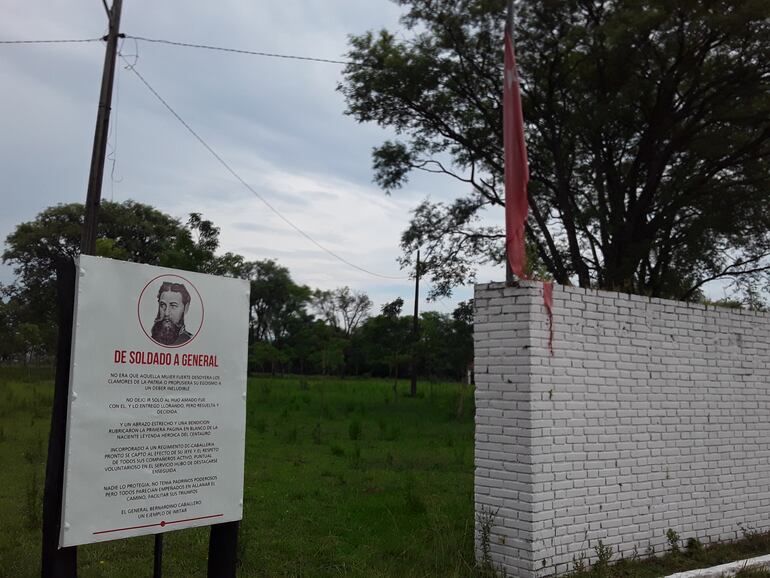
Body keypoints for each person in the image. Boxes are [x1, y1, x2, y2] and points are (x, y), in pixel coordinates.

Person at [151, 281, 193, 346]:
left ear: (186, 308)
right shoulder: (152, 338)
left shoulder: (190, 341)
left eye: (173, 306)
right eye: (163, 305)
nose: (166, 313)